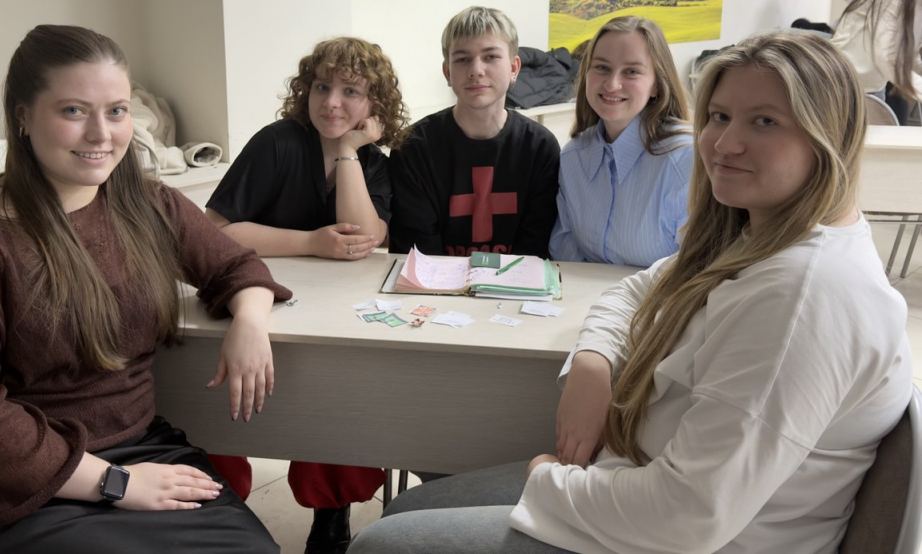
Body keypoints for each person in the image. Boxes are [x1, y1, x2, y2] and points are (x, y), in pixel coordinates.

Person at [347, 31, 913, 554]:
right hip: (635, 484)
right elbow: (633, 292)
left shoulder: (804, 297)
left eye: (764, 121)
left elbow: (687, 516)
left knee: (382, 544)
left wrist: (547, 479)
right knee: (409, 508)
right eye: (719, 115)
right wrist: (594, 359)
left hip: (673, 536)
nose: (724, 143)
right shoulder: (754, 234)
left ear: (828, 132)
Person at [0, 25, 291, 553]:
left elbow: (236, 266)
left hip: (134, 448)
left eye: (117, 111)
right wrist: (115, 484)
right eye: (74, 111)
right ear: (22, 117)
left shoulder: (145, 203)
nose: (101, 134)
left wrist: (250, 320)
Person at [206, 36, 410, 554]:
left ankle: (332, 514)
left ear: (375, 104)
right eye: (322, 87)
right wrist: (311, 243)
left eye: (351, 91)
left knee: (342, 394)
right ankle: (220, 512)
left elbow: (365, 239)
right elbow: (217, 231)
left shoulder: (372, 161)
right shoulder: (277, 143)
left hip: (330, 313)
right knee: (219, 410)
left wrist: (347, 152)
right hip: (255, 300)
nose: (332, 102)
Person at [388, 6, 560, 257]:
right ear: (448, 72)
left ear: (514, 68)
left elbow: (535, 250)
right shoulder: (412, 147)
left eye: (491, 57)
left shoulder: (540, 147)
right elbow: (418, 253)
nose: (476, 70)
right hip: (435, 281)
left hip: (515, 280)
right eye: (462, 59)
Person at [549, 16, 692, 267]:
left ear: (656, 85)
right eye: (602, 68)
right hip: (583, 292)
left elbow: (695, 267)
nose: (612, 84)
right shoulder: (572, 157)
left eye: (632, 71)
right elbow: (565, 251)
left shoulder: (685, 160)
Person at [832, 0, 922, 124]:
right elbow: (885, 56)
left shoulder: (918, 2)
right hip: (842, 80)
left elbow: (910, 54)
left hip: (873, 85)